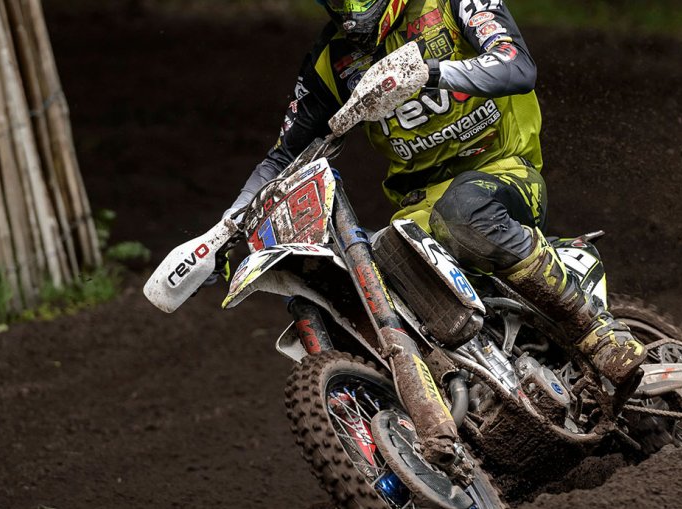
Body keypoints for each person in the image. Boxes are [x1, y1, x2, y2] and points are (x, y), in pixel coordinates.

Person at [222, 0, 647, 391]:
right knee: (348, 285)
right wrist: (224, 231)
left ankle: (596, 331)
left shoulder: (452, 4)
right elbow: (282, 158)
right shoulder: (333, 61)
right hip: (419, 211)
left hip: (503, 169)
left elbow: (517, 66)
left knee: (462, 211)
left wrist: (431, 72)